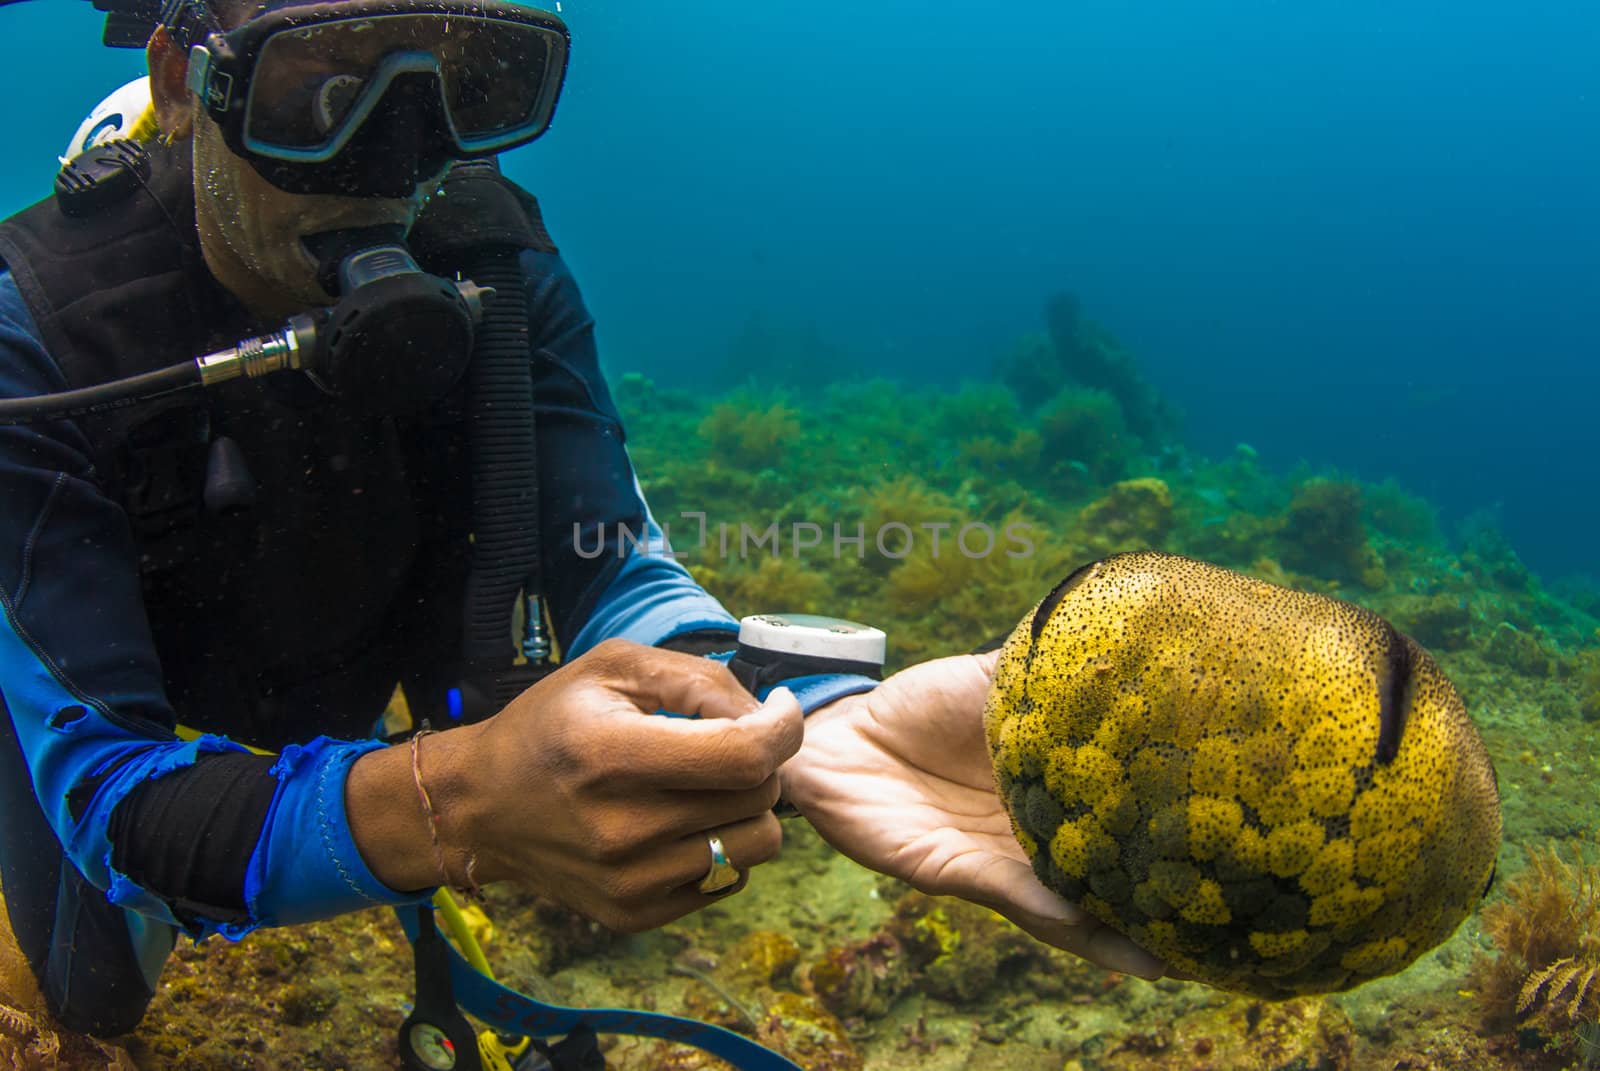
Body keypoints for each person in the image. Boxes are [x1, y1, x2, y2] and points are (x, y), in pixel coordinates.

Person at [0, 0, 1163, 1042]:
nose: (398, 159)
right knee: (92, 1001)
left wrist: (821, 718)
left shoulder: (495, 264)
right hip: (132, 698)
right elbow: (115, 801)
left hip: (336, 678)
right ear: (177, 76)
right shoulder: (35, 331)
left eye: (466, 83)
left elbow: (614, 566)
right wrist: (448, 804)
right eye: (321, 89)